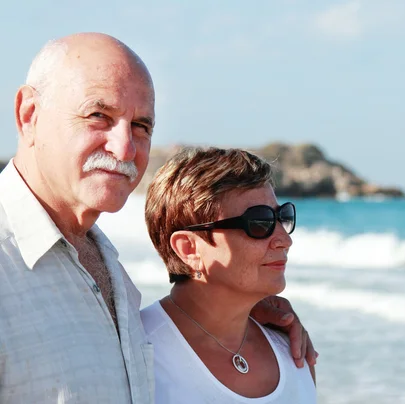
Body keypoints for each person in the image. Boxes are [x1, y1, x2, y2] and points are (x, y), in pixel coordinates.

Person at [0, 33, 315, 404]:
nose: (125, 148)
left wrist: (239, 309)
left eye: (141, 126)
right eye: (98, 115)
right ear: (29, 115)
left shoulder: (109, 271)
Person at [141, 147, 316, 403]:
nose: (284, 240)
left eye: (283, 217)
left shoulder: (294, 352)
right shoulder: (135, 353)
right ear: (189, 248)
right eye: (259, 222)